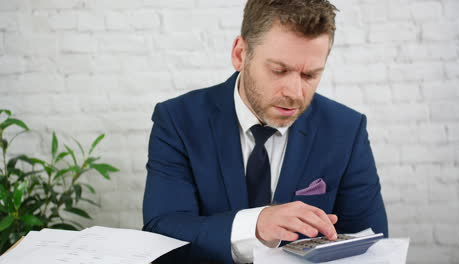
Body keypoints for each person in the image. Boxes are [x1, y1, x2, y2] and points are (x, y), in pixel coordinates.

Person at [143, 0, 388, 263]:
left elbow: (370, 243)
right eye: (279, 70)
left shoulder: (346, 130)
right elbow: (162, 230)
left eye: (310, 76)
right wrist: (254, 226)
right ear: (240, 54)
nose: (295, 93)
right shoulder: (178, 120)